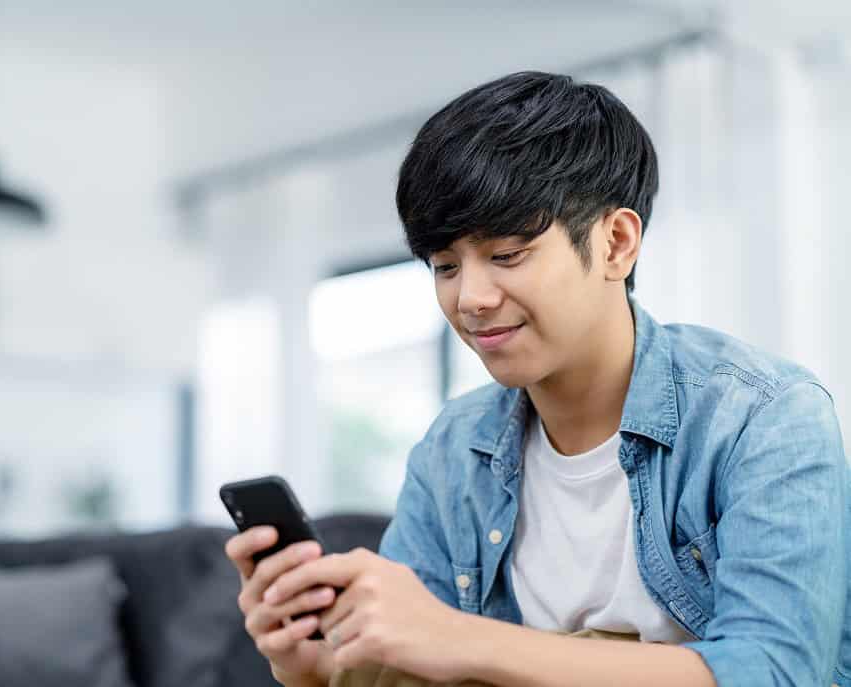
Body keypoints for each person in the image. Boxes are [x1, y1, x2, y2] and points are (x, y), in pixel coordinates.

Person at [224, 71, 850, 687]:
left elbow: (776, 671)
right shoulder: (453, 451)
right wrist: (316, 667)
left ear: (616, 243)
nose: (470, 298)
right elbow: (410, 667)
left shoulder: (762, 418)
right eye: (445, 267)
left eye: (507, 255)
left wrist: (463, 641)